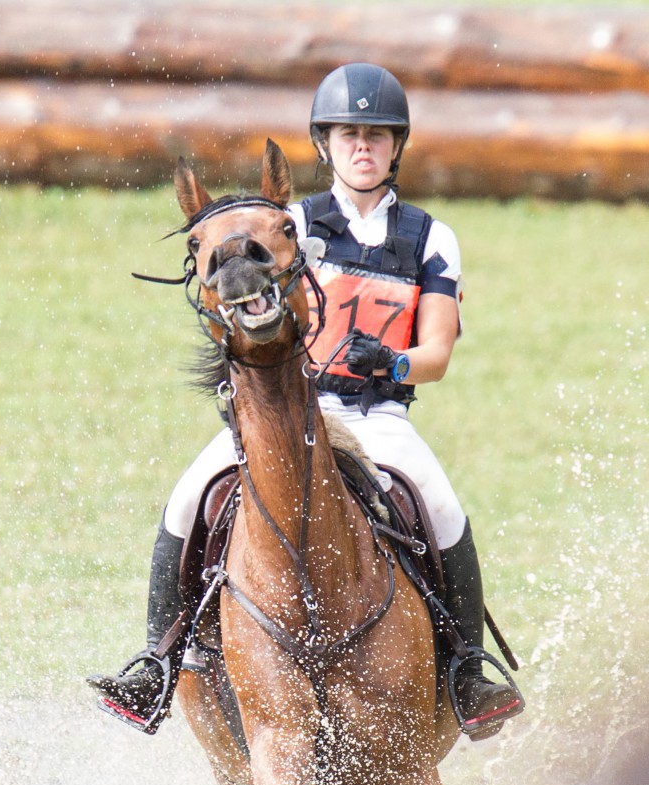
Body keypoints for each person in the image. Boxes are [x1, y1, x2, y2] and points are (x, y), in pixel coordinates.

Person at [89, 63, 522, 738]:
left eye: (376, 137)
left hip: (377, 418)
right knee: (188, 496)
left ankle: (465, 667)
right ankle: (157, 660)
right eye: (348, 135)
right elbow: (229, 274)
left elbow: (437, 351)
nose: (362, 148)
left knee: (439, 506)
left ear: (395, 146)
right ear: (323, 144)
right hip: (288, 408)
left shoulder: (428, 237)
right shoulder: (285, 224)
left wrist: (396, 360)